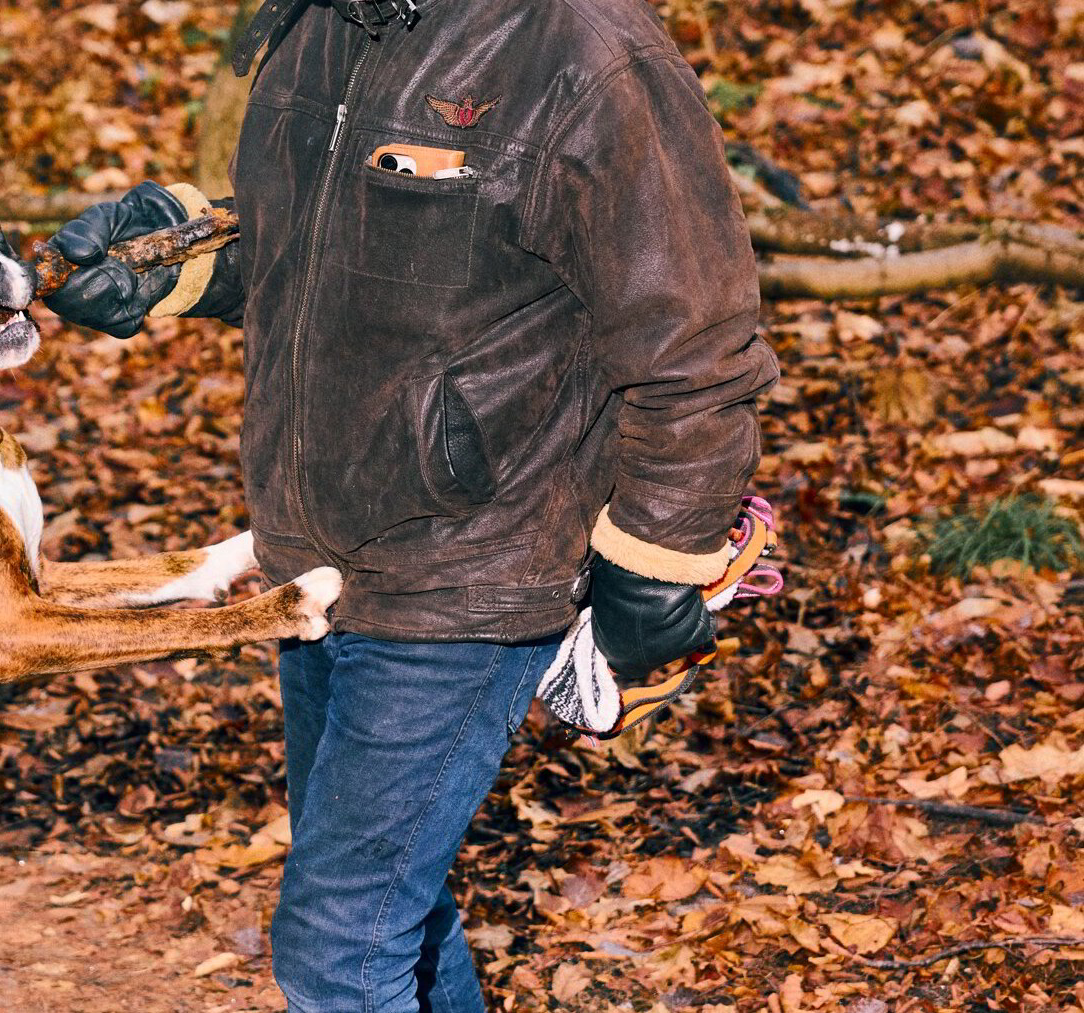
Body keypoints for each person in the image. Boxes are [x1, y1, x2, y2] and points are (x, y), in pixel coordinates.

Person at [46, 0, 778, 1008]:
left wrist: (657, 559)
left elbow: (696, 346)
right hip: (317, 556)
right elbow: (313, 252)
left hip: (475, 563)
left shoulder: (587, 51)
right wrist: (173, 266)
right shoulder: (317, 25)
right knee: (393, 903)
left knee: (339, 941)